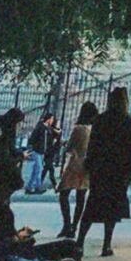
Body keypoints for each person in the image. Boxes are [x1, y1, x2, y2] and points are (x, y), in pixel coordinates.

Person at [80, 87, 131, 260]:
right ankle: (106, 244)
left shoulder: (101, 120)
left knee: (92, 205)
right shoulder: (129, 123)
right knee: (112, 210)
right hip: (118, 171)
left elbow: (93, 145)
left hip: (101, 169)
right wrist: (129, 172)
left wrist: (90, 165)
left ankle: (79, 241)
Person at [55, 101, 96, 239]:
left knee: (64, 194)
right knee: (81, 198)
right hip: (88, 166)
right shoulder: (95, 130)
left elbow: (69, 148)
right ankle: (74, 226)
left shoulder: (78, 129)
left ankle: (67, 224)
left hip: (75, 165)